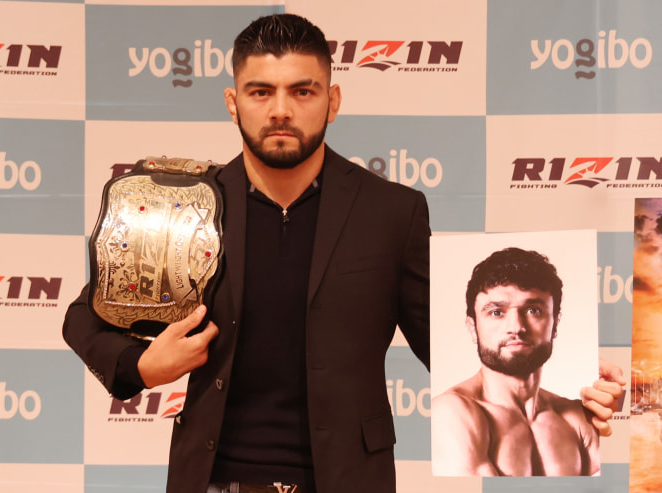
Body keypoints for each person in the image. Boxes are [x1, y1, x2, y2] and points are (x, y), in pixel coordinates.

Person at [63, 14, 624, 493]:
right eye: (261, 92)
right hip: (212, 479)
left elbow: (453, 342)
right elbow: (83, 316)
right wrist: (140, 366)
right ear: (233, 103)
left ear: (332, 101)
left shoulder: (393, 212)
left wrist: (574, 378)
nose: (280, 110)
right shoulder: (183, 206)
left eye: (302, 91)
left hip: (348, 480)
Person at [431, 247, 606, 477]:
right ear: (473, 328)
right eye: (497, 312)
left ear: (555, 324)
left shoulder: (576, 418)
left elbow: (631, 479)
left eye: (533, 310)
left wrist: (623, 394)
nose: (516, 327)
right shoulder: (452, 413)